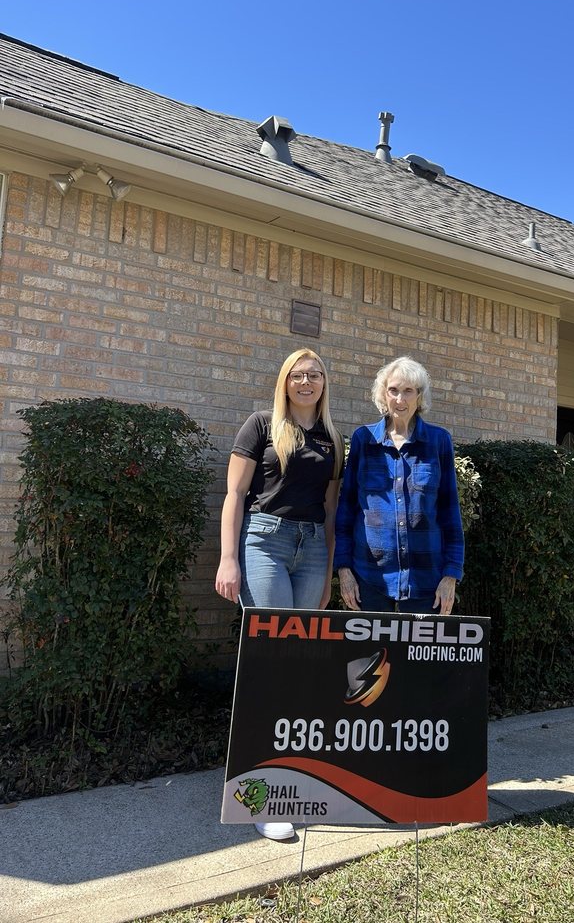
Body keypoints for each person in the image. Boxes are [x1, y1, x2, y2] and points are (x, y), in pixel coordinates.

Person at [214, 348, 343, 841]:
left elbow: (330, 511)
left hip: (311, 550)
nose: (306, 382)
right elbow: (234, 495)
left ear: (325, 382)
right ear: (285, 381)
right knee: (269, 664)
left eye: (315, 375)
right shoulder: (262, 425)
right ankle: (261, 797)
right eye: (298, 374)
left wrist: (329, 573)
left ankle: (293, 780)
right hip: (264, 542)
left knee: (299, 666)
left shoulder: (333, 438)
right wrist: (228, 559)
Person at [334, 356, 463, 614]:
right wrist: (344, 570)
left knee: (421, 643)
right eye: (393, 390)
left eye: (408, 391)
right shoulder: (363, 440)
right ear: (384, 394)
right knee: (371, 642)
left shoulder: (438, 442)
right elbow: (346, 510)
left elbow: (450, 513)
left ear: (419, 396)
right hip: (369, 577)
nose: (400, 399)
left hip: (426, 580)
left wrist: (451, 575)